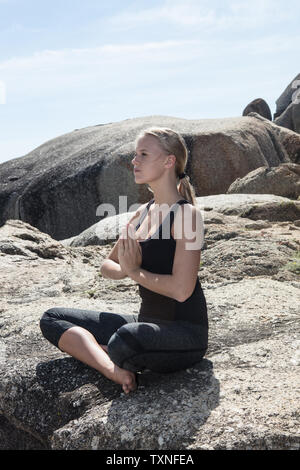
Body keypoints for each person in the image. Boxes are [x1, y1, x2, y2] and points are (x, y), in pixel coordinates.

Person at [40, 127, 208, 395]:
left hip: (184, 332)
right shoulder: (142, 212)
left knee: (125, 340)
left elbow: (181, 289)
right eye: (135, 154)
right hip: (146, 321)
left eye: (143, 154)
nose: (134, 161)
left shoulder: (187, 215)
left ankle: (98, 352)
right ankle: (113, 369)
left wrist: (134, 271)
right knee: (52, 318)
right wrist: (126, 270)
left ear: (169, 161)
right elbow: (108, 265)